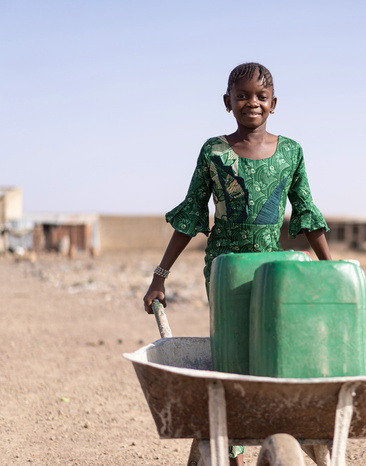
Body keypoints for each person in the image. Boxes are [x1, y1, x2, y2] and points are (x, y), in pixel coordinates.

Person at [142, 62, 332, 465]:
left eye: (261, 97)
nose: (252, 103)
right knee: (232, 349)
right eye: (242, 95)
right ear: (227, 102)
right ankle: (229, 445)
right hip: (225, 266)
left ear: (274, 104)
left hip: (275, 269)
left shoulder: (292, 152)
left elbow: (307, 214)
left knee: (277, 345)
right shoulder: (214, 152)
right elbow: (192, 214)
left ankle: (280, 426)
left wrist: (332, 268)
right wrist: (161, 276)